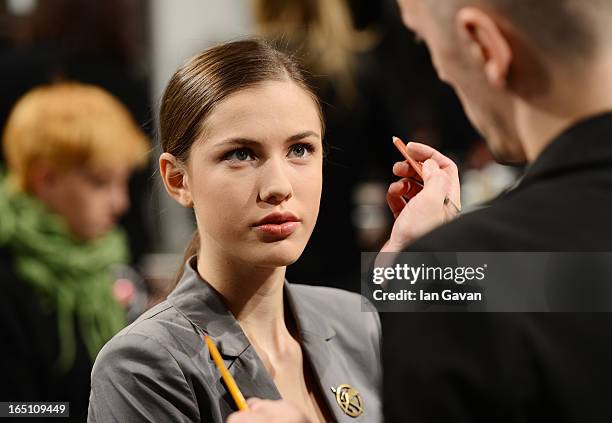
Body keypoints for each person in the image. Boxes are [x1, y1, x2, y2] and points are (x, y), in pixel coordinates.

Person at [229, 0, 612, 421]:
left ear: (484, 46)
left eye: (426, 41)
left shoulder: (460, 271)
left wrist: (427, 272)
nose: (442, 73)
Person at [87, 39, 382, 423]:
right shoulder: (143, 366)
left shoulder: (354, 321)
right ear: (178, 180)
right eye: (241, 154)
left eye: (300, 150)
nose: (279, 186)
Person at [0, 82, 149, 421]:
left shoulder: (103, 259)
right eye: (100, 182)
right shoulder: (9, 279)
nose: (120, 202)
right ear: (46, 179)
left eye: (124, 181)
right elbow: (12, 410)